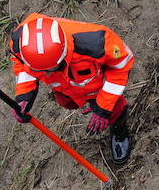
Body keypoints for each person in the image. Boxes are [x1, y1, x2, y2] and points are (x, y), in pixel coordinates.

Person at [8, 12, 134, 165]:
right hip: (64, 90)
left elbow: (122, 65)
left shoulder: (97, 43)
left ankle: (119, 129)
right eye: (43, 71)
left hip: (98, 87)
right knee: (68, 103)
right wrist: (24, 96)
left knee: (115, 109)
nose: (48, 73)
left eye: (54, 68)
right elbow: (21, 67)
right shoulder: (19, 44)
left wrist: (103, 107)